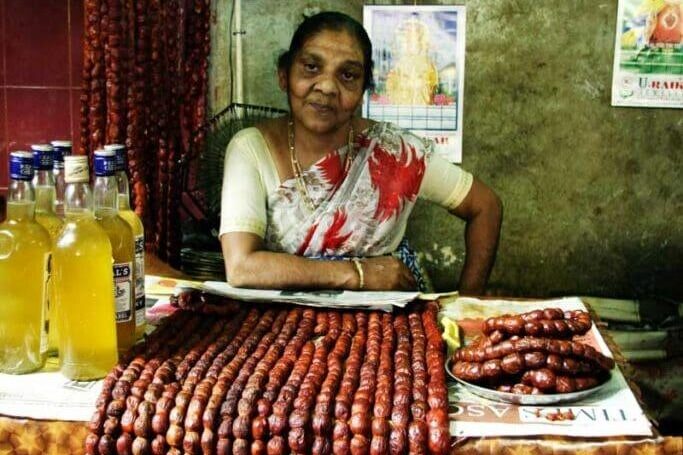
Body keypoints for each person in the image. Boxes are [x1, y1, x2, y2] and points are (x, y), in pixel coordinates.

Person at [219, 11, 502, 295]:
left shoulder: (394, 153)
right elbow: (242, 267)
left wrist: (468, 303)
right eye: (311, 67)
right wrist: (357, 274)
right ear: (284, 75)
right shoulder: (250, 149)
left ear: (364, 89)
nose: (328, 87)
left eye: (348, 75)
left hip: (390, 324)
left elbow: (486, 206)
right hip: (285, 328)